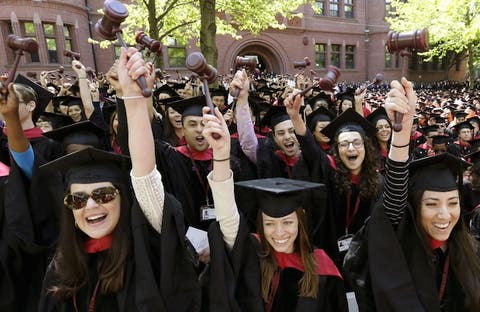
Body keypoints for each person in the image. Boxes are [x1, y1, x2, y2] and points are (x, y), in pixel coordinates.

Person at [38, 47, 201, 311]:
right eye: (77, 199)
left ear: (123, 196)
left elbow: (145, 175)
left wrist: (132, 97)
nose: (90, 206)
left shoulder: (145, 247)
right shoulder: (60, 267)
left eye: (104, 195)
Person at [346, 77, 480, 311]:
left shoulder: (469, 250)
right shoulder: (402, 245)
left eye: (452, 203)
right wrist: (402, 131)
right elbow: (393, 201)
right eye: (431, 204)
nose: (444, 214)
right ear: (415, 207)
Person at [203, 105, 348, 311]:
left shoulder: (323, 268)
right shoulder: (251, 254)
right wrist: (220, 155)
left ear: (301, 220)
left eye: (288, 222)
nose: (279, 232)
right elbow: (227, 215)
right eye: (269, 223)